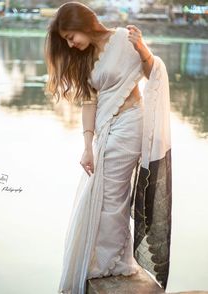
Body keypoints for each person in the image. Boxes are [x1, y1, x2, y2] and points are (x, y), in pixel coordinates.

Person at [44, 2, 172, 294]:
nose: (71, 44)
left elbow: (153, 72)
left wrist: (142, 49)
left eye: (70, 36)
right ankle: (108, 259)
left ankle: (110, 262)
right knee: (100, 192)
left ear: (81, 23)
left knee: (112, 193)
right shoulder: (87, 58)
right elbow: (89, 102)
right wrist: (87, 146)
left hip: (130, 124)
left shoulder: (124, 39)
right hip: (105, 131)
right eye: (66, 41)